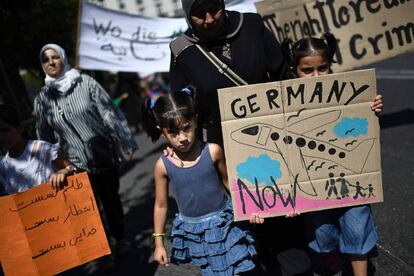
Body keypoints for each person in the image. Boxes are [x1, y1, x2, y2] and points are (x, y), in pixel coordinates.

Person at [281, 32, 383, 276]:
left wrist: (372, 108)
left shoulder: (349, 93)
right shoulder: (283, 105)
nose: (316, 76)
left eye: (323, 68)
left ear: (331, 66)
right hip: (313, 185)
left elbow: (363, 129)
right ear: (294, 71)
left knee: (357, 228)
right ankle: (335, 266)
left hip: (351, 179)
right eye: (308, 70)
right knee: (323, 234)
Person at [142, 88, 264, 275]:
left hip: (225, 225)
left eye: (187, 128)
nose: (182, 138)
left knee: (242, 268)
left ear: (195, 120)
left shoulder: (213, 151)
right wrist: (158, 243)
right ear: (162, 132)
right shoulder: (162, 166)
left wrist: (251, 207)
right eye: (173, 132)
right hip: (196, 233)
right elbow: (160, 206)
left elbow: (231, 184)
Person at [34, 43, 138, 246]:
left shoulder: (86, 83)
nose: (51, 62)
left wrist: (126, 138)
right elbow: (44, 136)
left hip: (102, 156)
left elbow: (108, 112)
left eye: (54, 57)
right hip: (72, 163)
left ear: (62, 58)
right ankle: (103, 248)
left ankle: (120, 238)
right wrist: (50, 166)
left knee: (110, 202)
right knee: (87, 208)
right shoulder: (42, 99)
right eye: (45, 60)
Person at [169, 0, 288, 146]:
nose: (210, 19)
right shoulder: (181, 51)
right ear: (188, 15)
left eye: (214, 9)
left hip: (274, 131)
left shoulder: (252, 25)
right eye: (199, 14)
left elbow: (285, 76)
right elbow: (180, 109)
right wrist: (178, 147)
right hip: (222, 144)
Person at [0, 104, 75, 195]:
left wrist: (64, 171)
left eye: (5, 130)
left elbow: (71, 168)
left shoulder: (42, 149)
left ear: (20, 128)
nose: (1, 137)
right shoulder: (3, 167)